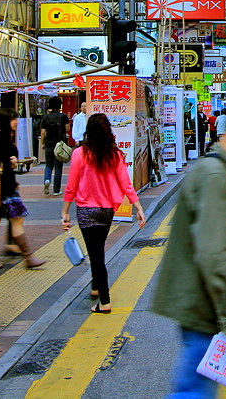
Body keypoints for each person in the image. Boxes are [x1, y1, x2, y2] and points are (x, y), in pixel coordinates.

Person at [152, 94, 226, 397]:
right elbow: (213, 252)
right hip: (208, 306)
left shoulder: (217, 168)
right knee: (199, 391)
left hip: (215, 302)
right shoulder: (216, 175)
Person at [63, 113, 146, 313]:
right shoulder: (115, 155)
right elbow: (125, 183)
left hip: (85, 210)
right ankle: (94, 287)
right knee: (97, 249)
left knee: (96, 255)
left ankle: (105, 300)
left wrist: (64, 211)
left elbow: (71, 186)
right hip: (107, 210)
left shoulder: (79, 154)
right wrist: (138, 206)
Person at [0, 109, 44, 270]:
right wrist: (10, 161)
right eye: (14, 119)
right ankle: (28, 258)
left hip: (0, 185)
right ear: (7, 120)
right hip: (4, 186)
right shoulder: (1, 136)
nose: (17, 122)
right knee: (14, 220)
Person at [39, 96, 71, 196]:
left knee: (48, 165)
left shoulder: (45, 117)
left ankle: (47, 180)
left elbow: (43, 132)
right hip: (60, 145)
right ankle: (56, 190)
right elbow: (67, 128)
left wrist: (42, 143)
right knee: (58, 167)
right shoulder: (63, 116)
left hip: (49, 143)